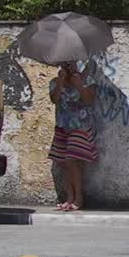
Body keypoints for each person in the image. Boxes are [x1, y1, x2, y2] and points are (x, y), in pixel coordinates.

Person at [48, 61, 97, 212]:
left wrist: (79, 85)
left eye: (71, 64)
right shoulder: (55, 82)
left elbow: (89, 100)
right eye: (65, 65)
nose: (69, 67)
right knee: (63, 162)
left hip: (80, 126)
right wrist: (61, 80)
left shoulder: (87, 80)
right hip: (63, 126)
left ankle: (78, 198)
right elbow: (54, 100)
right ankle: (69, 198)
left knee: (70, 160)